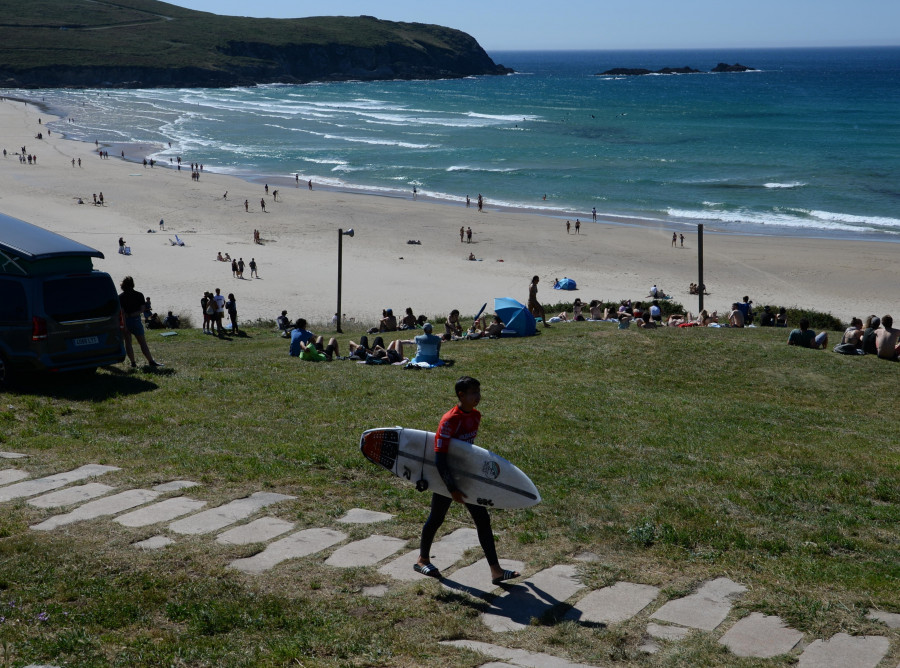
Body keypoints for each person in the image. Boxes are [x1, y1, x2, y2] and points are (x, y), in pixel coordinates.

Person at [415, 376, 520, 584]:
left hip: (466, 476)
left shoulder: (476, 415)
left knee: (482, 520)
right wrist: (451, 488)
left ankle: (496, 571)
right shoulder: (449, 420)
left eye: (479, 392)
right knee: (437, 518)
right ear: (461, 395)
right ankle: (422, 560)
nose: (478, 397)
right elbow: (440, 458)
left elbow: (469, 451)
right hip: (447, 477)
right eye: (473, 393)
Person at [118, 276, 162, 368]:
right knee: (142, 342)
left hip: (126, 321)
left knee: (128, 342)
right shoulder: (139, 295)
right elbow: (142, 309)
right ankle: (151, 361)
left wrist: (125, 323)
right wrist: (133, 314)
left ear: (123, 285)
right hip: (136, 320)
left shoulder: (121, 297)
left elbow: (121, 312)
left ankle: (133, 363)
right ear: (132, 284)